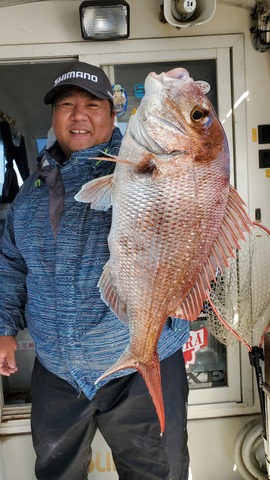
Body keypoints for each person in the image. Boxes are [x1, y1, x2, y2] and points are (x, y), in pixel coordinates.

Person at [0, 61, 190, 480]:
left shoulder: (143, 166)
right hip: (57, 370)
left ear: (114, 113)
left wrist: (176, 100)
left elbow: (190, 213)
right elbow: (11, 265)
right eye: (66, 104)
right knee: (58, 472)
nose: (78, 115)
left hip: (142, 366)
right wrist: (4, 329)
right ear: (54, 116)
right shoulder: (30, 194)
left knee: (157, 473)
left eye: (92, 105)